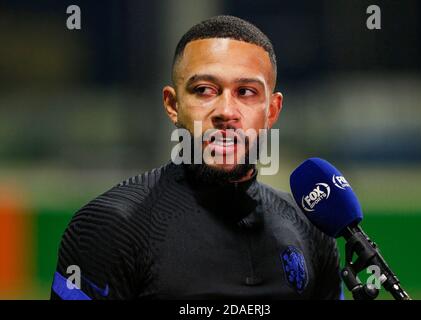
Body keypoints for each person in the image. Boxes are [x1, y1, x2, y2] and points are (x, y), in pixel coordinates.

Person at [50, 15, 342, 300]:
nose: (226, 111)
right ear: (173, 105)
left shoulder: (310, 229)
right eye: (204, 90)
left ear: (272, 111)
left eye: (246, 91)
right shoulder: (109, 227)